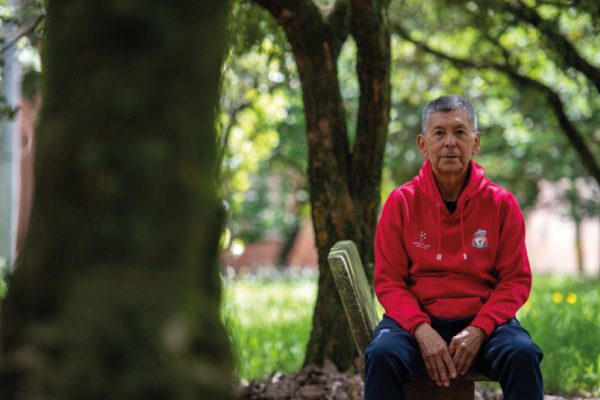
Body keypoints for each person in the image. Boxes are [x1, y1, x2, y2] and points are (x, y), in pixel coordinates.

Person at [364, 95, 543, 400]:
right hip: (415, 322)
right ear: (423, 144)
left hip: (484, 323)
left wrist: (480, 329)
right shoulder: (401, 202)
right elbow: (389, 282)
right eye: (439, 133)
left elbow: (515, 281)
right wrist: (421, 329)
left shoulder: (501, 203)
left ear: (475, 143)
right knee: (381, 354)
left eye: (460, 132)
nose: (449, 142)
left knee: (523, 353)